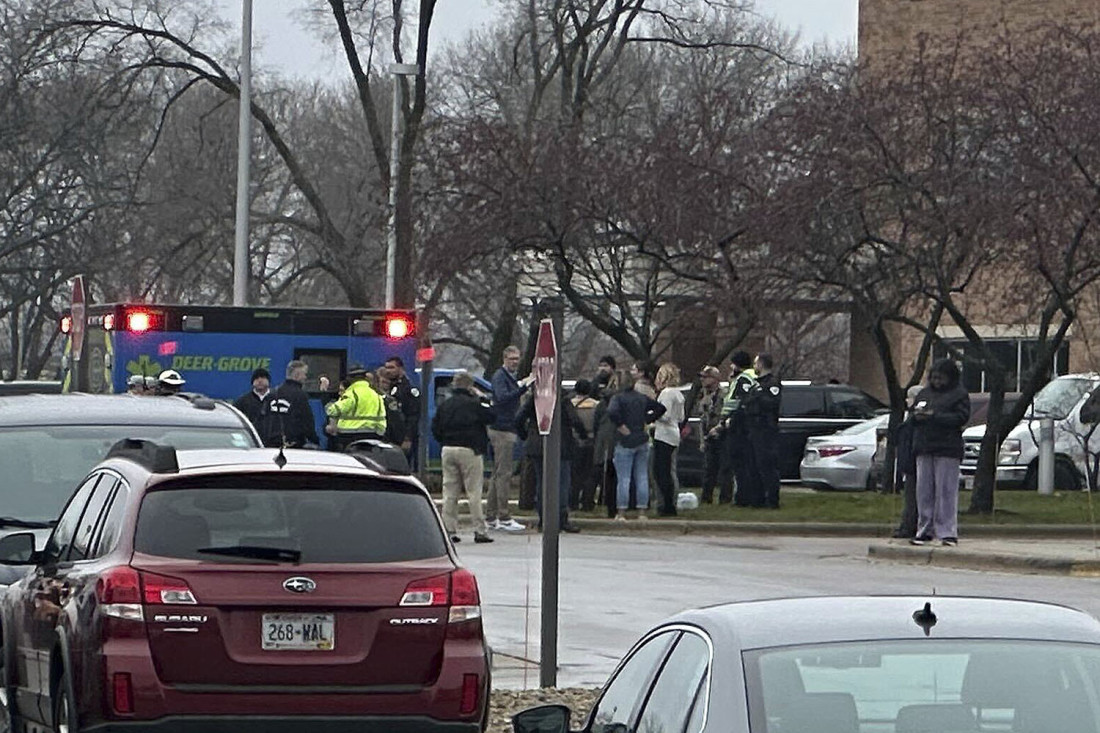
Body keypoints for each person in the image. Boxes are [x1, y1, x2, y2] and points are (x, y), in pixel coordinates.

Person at [910, 359, 970, 547]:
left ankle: (947, 532)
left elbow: (961, 417)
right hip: (924, 447)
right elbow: (913, 415)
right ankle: (924, 530)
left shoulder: (959, 395)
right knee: (924, 492)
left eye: (941, 378)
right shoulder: (924, 393)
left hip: (947, 448)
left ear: (950, 378)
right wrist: (917, 416)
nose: (936, 381)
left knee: (946, 491)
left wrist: (934, 416)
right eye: (934, 377)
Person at [432, 371, 495, 544]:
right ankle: (480, 530)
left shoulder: (446, 404)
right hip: (470, 449)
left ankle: (449, 530)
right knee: (473, 491)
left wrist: (444, 440)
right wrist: (484, 399)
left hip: (448, 448)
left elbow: (435, 427)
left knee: (450, 491)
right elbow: (491, 416)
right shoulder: (474, 404)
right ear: (470, 386)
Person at [516, 391, 586, 533]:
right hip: (561, 445)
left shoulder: (535, 398)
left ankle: (544, 519)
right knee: (562, 483)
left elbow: (519, 418)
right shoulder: (563, 399)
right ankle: (561, 519)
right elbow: (575, 420)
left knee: (542, 483)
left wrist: (526, 435)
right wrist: (583, 435)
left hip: (537, 445)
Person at [486, 346, 533, 532]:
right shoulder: (500, 377)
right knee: (503, 474)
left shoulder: (508, 378)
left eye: (517, 358)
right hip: (502, 429)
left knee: (497, 474)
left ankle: (491, 516)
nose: (515, 362)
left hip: (505, 428)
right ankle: (503, 516)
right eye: (512, 359)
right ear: (504, 358)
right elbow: (503, 397)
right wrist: (524, 387)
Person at [607, 375, 666, 521]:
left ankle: (621, 511)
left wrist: (621, 426)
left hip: (625, 440)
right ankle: (642, 511)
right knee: (642, 477)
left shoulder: (617, 398)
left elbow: (611, 412)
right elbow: (660, 408)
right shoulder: (641, 398)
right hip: (641, 438)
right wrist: (646, 419)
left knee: (624, 478)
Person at [745, 353, 782, 509]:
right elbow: (747, 402)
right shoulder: (755, 384)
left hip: (766, 429)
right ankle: (757, 499)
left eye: (756, 363)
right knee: (753, 465)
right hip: (753, 428)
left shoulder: (772, 383)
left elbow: (772, 403)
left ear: (761, 364)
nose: (754, 366)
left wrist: (759, 395)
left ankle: (772, 500)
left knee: (766, 465)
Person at [722, 351, 759, 507]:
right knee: (746, 464)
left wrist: (728, 419)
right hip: (745, 426)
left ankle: (742, 498)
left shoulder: (744, 379)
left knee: (739, 465)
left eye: (733, 363)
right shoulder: (752, 377)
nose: (731, 366)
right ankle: (746, 496)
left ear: (738, 364)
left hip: (738, 426)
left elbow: (739, 402)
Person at [324, 366, 387, 451]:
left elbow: (333, 410)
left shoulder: (352, 394)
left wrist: (329, 404)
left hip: (350, 435)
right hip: (373, 436)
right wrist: (380, 433)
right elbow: (381, 415)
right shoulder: (376, 395)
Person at [696, 365, 733, 504]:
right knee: (708, 470)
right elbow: (702, 419)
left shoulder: (724, 394)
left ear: (715, 379)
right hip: (709, 437)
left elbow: (727, 415)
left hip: (722, 435)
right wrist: (702, 440)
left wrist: (719, 428)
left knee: (725, 469)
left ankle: (725, 499)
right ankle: (706, 498)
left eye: (706, 377)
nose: (703, 380)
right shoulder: (704, 395)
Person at [264, 360, 321, 448]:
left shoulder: (273, 393)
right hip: (293, 443)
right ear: (296, 375)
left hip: (272, 443)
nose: (305, 377)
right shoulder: (300, 395)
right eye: (304, 374)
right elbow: (307, 421)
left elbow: (264, 418)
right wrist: (315, 440)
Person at [653, 364, 685, 517]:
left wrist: (652, 414)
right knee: (670, 470)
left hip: (664, 434)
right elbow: (681, 417)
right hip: (674, 433)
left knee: (661, 472)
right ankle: (672, 501)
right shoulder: (678, 394)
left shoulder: (666, 394)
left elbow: (664, 414)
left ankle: (666, 504)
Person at [892, 385, 923, 539]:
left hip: (912, 462)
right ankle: (908, 525)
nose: (907, 400)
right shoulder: (911, 417)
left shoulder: (915, 419)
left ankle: (909, 526)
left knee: (912, 498)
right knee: (910, 496)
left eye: (909, 397)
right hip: (909, 462)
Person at [591, 364, 622, 517]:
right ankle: (618, 505)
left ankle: (607, 504)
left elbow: (596, 423)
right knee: (619, 475)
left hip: (604, 441)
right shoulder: (623, 401)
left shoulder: (602, 403)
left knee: (605, 474)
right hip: (620, 440)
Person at [384, 356, 421, 460]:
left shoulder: (409, 389)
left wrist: (407, 438)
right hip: (390, 437)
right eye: (386, 368)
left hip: (402, 438)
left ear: (401, 369)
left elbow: (413, 416)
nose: (388, 371)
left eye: (392, 368)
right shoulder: (391, 388)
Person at [570, 379, 599, 510]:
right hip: (591, 440)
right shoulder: (595, 405)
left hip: (574, 441)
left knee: (574, 474)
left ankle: (573, 501)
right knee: (589, 474)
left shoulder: (570, 404)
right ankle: (588, 502)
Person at [375, 367, 408, 447]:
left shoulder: (394, 396)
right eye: (382, 382)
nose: (384, 384)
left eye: (387, 382)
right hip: (384, 437)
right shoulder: (384, 399)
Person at [232, 368, 271, 432]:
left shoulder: (276, 399)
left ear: (268, 381)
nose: (260, 380)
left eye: (263, 377)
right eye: (256, 378)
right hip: (251, 436)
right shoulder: (243, 401)